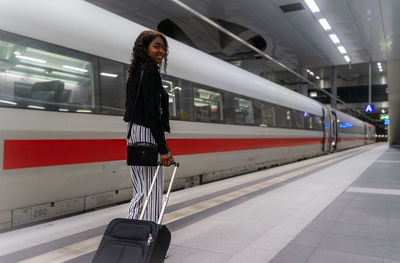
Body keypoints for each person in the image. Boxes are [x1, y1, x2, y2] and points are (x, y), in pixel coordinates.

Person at [123, 30, 174, 222]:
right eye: (157, 46)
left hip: (133, 133)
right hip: (147, 133)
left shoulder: (135, 70)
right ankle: (148, 236)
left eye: (164, 48)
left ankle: (132, 229)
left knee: (140, 189)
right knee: (152, 191)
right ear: (145, 48)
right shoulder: (150, 71)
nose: (162, 51)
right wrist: (163, 149)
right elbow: (154, 113)